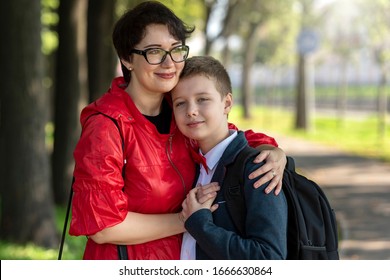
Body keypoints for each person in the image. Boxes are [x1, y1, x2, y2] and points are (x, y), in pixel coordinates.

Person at [69, 1, 286, 260]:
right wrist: (188, 219)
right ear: (127, 59)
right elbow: (102, 226)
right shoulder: (106, 126)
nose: (169, 62)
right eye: (154, 52)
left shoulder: (179, 112)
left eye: (175, 50)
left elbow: (223, 135)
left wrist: (270, 150)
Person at [172, 56, 288, 259]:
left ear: (226, 103)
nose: (191, 111)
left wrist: (200, 224)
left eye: (202, 99)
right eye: (180, 103)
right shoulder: (190, 165)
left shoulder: (258, 169)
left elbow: (269, 258)